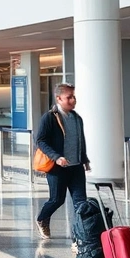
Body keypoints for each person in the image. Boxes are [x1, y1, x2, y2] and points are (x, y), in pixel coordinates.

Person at [35, 83, 90, 240]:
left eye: (74, 97)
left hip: (76, 167)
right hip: (57, 168)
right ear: (59, 98)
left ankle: (79, 238)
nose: (73, 100)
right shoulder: (49, 118)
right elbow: (41, 141)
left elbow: (81, 140)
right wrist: (56, 157)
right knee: (57, 200)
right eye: (69, 97)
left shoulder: (76, 118)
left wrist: (84, 158)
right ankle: (42, 218)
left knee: (81, 203)